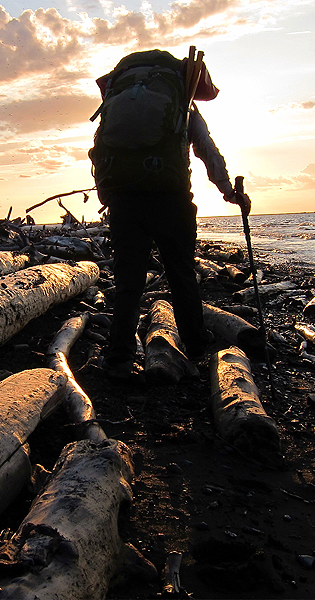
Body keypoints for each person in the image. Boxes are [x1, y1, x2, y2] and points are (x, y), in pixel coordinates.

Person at [89, 48, 250, 379]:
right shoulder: (181, 102)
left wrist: (109, 196)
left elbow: (99, 150)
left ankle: (119, 356)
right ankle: (195, 349)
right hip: (171, 200)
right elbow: (206, 150)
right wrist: (229, 191)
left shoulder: (117, 102)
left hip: (124, 200)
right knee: (181, 274)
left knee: (128, 280)